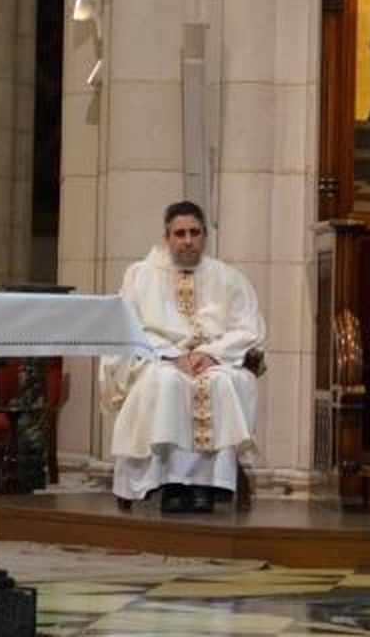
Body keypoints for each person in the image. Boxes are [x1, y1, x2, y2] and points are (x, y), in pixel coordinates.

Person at [100, 201, 266, 514]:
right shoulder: (140, 276)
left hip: (216, 361)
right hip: (159, 360)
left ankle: (206, 486)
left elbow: (250, 328)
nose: (187, 240)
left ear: (205, 236)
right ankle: (172, 485)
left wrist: (211, 354)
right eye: (180, 233)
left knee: (221, 386)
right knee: (166, 385)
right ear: (167, 238)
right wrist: (167, 356)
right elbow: (128, 327)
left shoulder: (229, 278)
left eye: (194, 232)